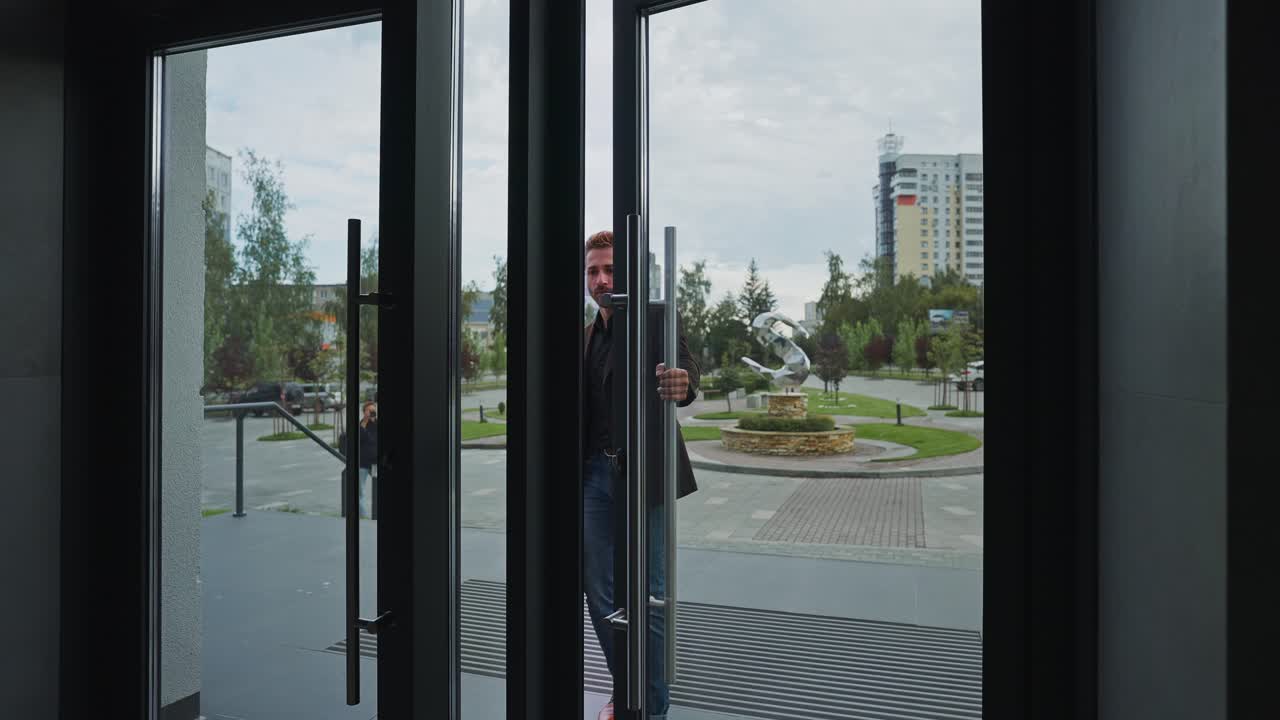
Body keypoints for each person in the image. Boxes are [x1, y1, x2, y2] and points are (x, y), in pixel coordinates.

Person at [583, 230, 700, 720]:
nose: (602, 279)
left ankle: (650, 707)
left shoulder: (653, 317)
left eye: (609, 269)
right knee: (598, 588)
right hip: (595, 475)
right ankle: (624, 684)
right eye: (593, 271)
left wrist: (683, 383)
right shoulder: (588, 332)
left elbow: (687, 370)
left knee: (649, 595)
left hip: (644, 475)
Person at [339, 401, 378, 518]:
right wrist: (365, 422)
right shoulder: (360, 425)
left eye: (373, 410)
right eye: (369, 410)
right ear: (364, 412)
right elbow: (359, 438)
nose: (371, 413)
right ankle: (364, 517)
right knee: (359, 492)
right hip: (362, 463)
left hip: (376, 462)